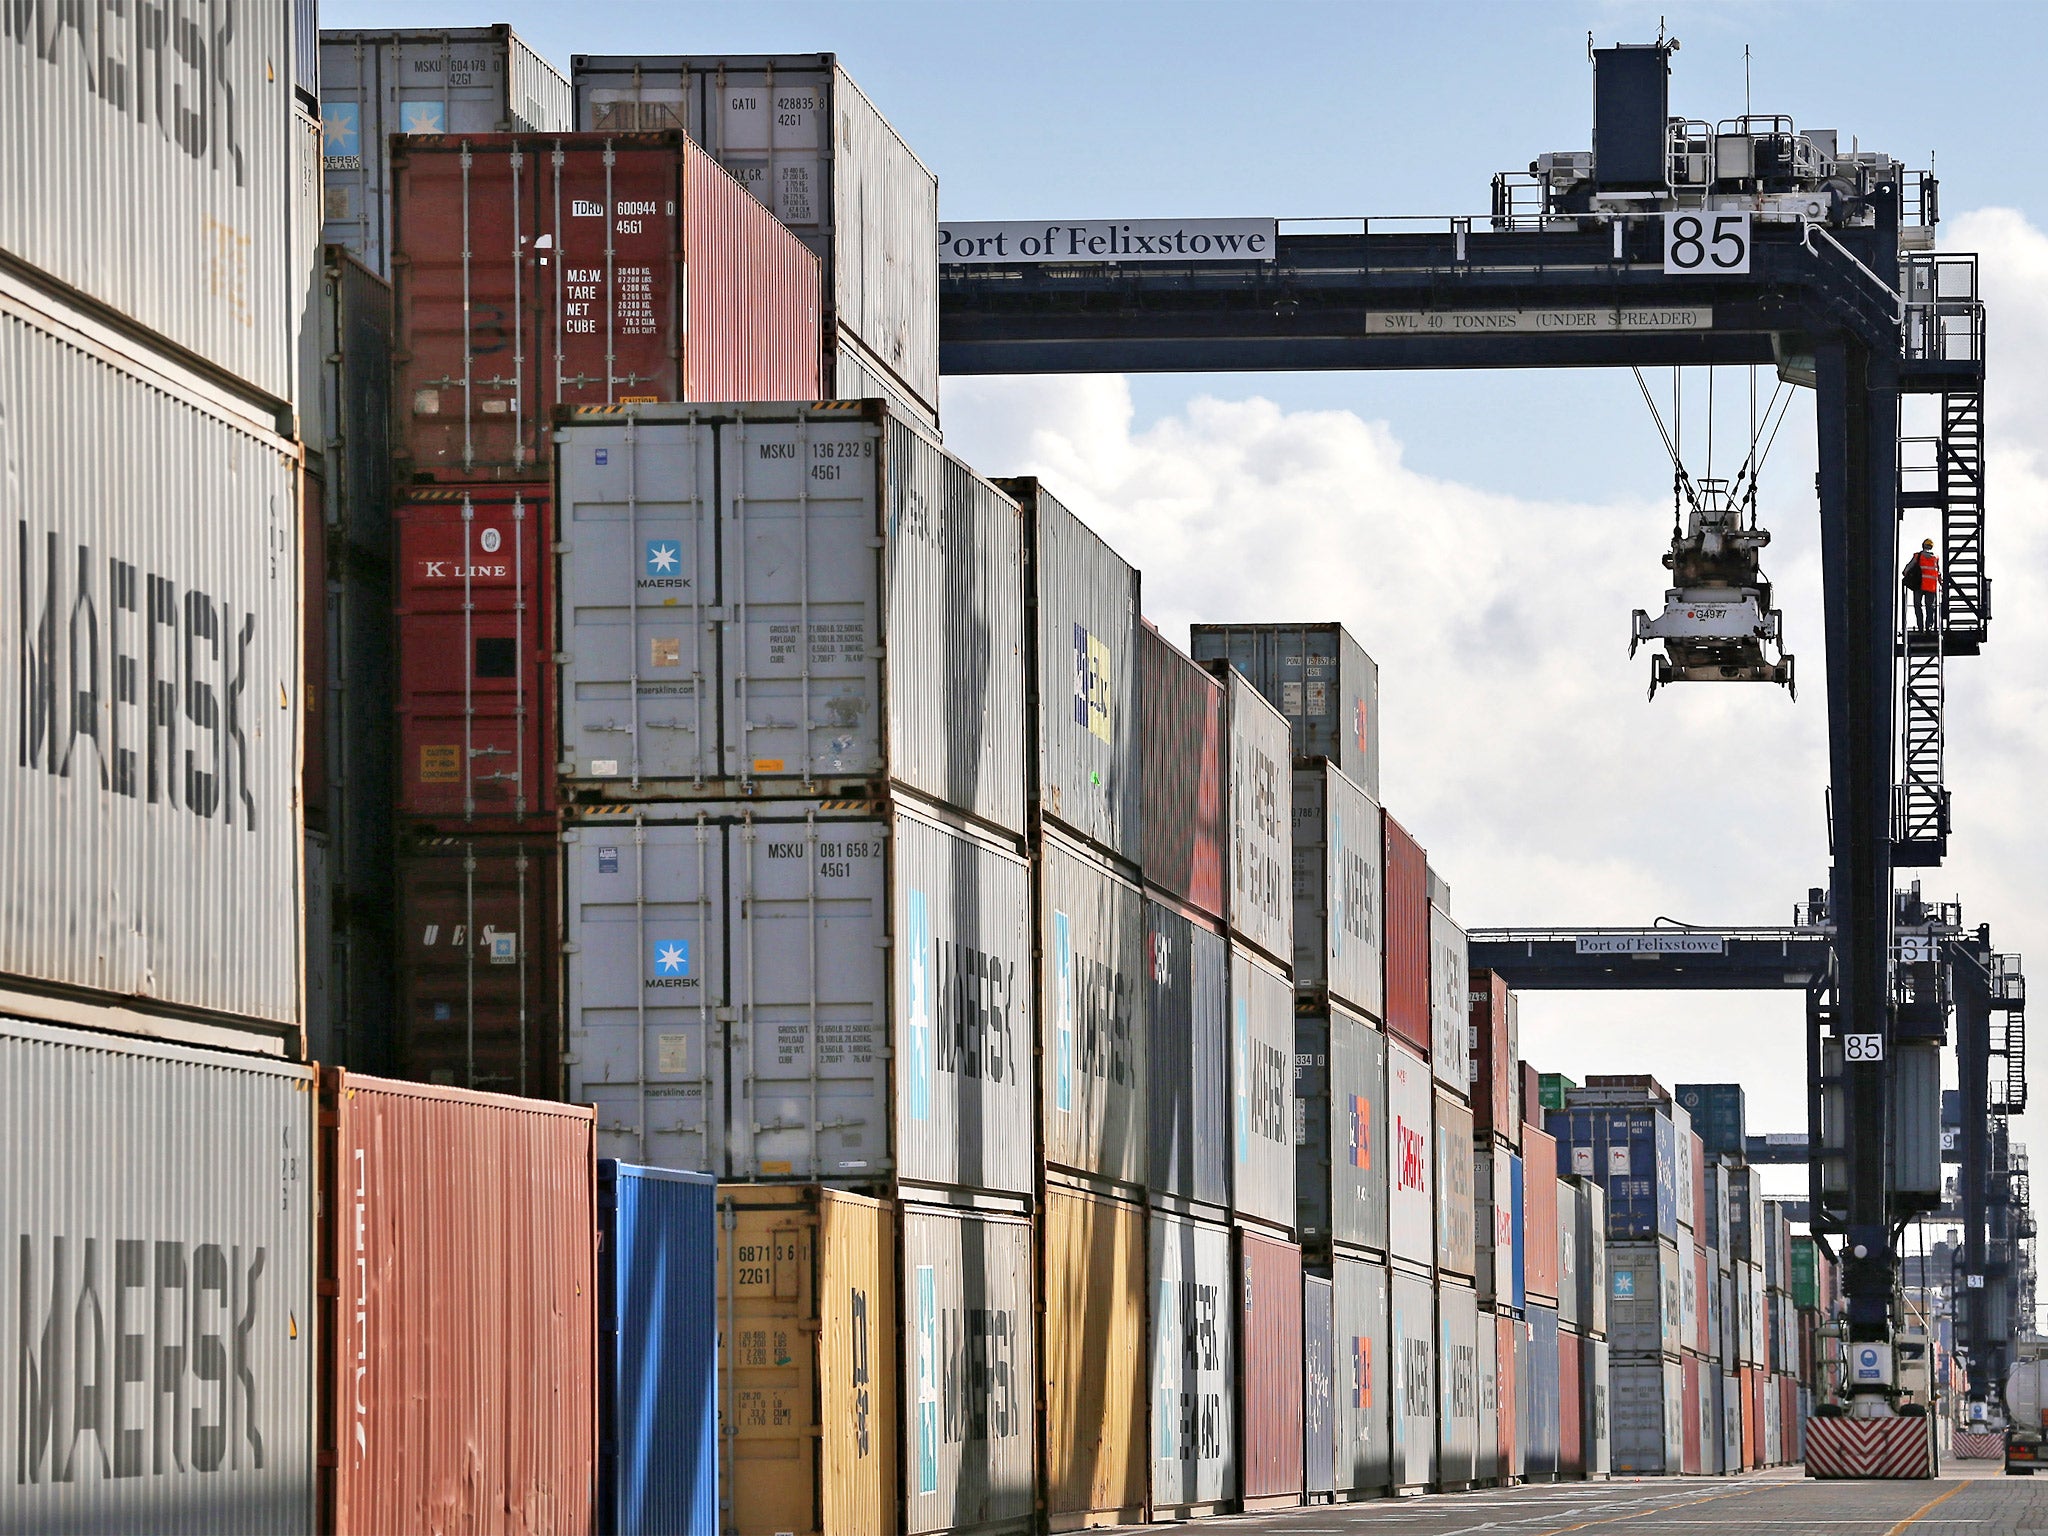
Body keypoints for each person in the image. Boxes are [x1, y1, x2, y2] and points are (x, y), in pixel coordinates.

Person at [1902, 538, 1939, 631]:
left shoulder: (1918, 556)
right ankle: (1929, 626)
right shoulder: (1935, 558)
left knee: (1917, 605)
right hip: (1931, 587)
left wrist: (1906, 575)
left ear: (1923, 546)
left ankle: (1920, 626)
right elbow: (1938, 572)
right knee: (1930, 607)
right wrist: (1941, 582)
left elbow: (1908, 568)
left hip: (1919, 585)